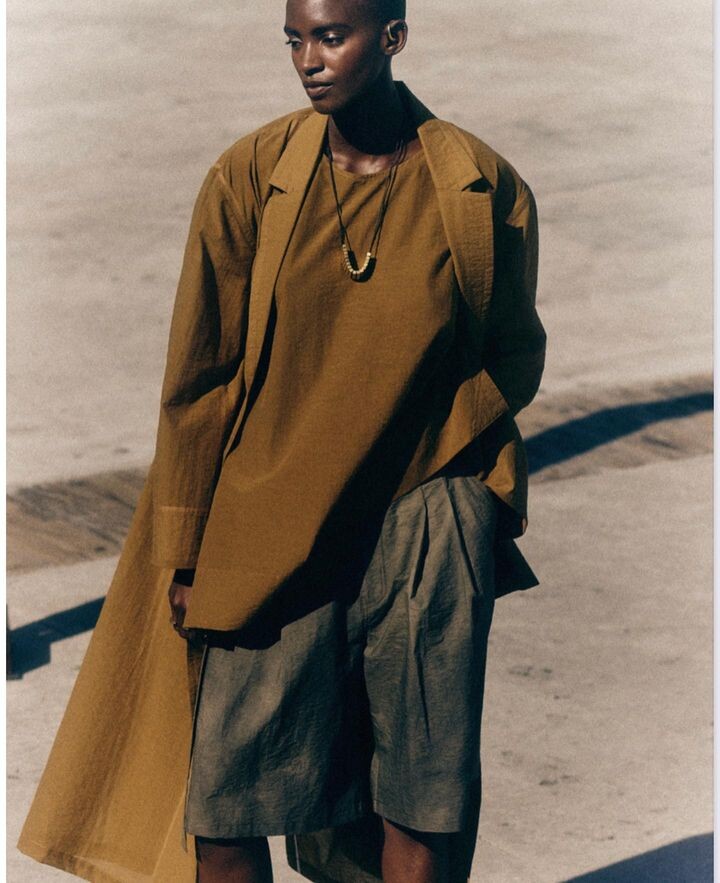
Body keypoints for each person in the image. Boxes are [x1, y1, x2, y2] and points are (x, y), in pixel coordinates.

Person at [17, 0, 546, 881]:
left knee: (422, 795)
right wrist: (188, 546)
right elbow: (199, 376)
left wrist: (442, 459)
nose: (309, 59)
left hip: (422, 516)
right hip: (271, 518)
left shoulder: (481, 186)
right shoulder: (250, 176)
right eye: (295, 39)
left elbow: (513, 352)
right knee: (225, 804)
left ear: (392, 38)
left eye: (331, 36)